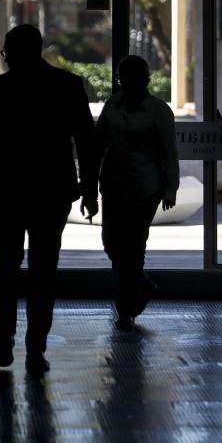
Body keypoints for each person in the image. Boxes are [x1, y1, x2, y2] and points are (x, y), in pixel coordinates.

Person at [0, 24, 99, 374]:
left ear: (11, 52)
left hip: (8, 189)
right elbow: (86, 140)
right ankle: (36, 348)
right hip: (52, 189)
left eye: (5, 52)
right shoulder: (68, 85)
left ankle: (4, 336)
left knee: (6, 266)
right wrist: (89, 187)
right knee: (44, 270)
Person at [97, 55, 179, 331]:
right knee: (111, 243)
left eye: (138, 78)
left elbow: (169, 153)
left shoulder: (158, 111)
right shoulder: (112, 106)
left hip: (145, 188)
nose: (133, 83)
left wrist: (170, 188)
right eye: (128, 78)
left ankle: (126, 310)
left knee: (133, 247)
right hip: (113, 186)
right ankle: (141, 284)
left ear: (146, 80)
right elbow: (99, 144)